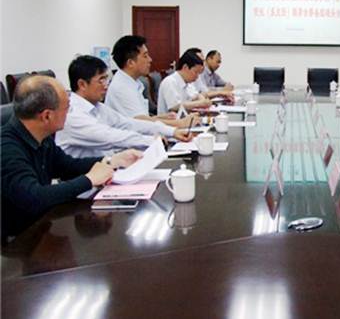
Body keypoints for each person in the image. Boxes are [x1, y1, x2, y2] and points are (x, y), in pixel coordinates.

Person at [1, 75, 142, 238]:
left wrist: (112, 161)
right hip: (17, 240)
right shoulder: (6, 148)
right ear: (47, 116)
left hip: (42, 225)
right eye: (67, 108)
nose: (70, 113)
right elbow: (34, 197)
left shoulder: (41, 135)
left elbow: (67, 166)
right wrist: (89, 180)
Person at [56, 56, 193, 158]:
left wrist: (172, 132)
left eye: (106, 79)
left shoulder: (97, 106)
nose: (106, 86)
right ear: (82, 84)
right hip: (86, 183)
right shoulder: (72, 114)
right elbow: (110, 137)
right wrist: (150, 140)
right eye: (101, 80)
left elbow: (128, 123)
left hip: (107, 169)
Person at [104, 35, 199, 128]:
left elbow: (138, 117)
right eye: (145, 56)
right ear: (130, 63)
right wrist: (180, 123)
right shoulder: (122, 87)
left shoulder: (133, 82)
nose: (150, 60)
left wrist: (160, 118)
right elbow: (140, 122)